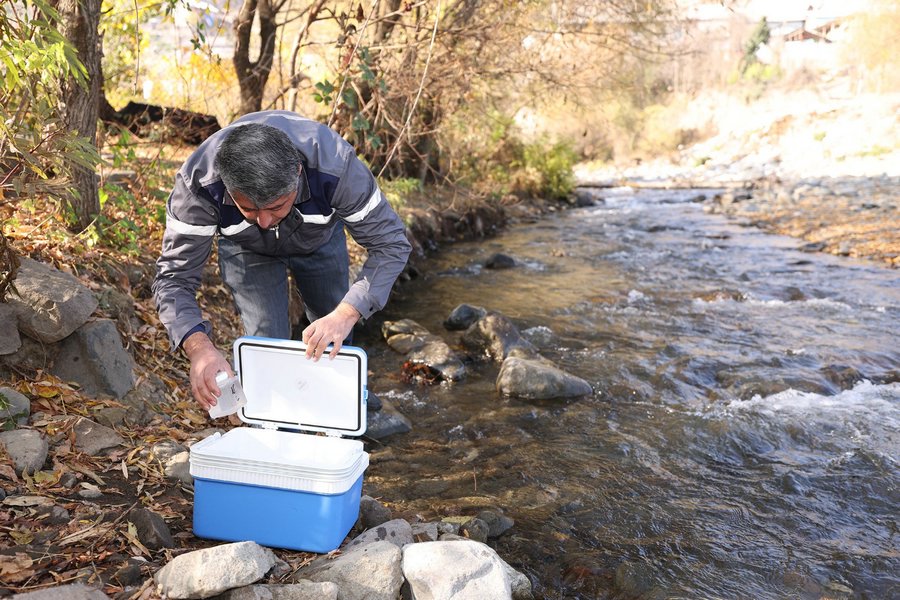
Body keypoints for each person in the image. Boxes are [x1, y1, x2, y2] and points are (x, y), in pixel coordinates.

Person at [152, 110, 412, 411]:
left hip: (319, 240)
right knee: (266, 346)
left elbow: (391, 244)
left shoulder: (335, 167)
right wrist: (199, 348)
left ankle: (341, 400)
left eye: (276, 206)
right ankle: (279, 417)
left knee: (333, 333)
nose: (264, 222)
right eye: (248, 209)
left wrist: (347, 312)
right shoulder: (199, 185)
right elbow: (173, 279)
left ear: (298, 174)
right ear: (227, 187)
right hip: (245, 249)